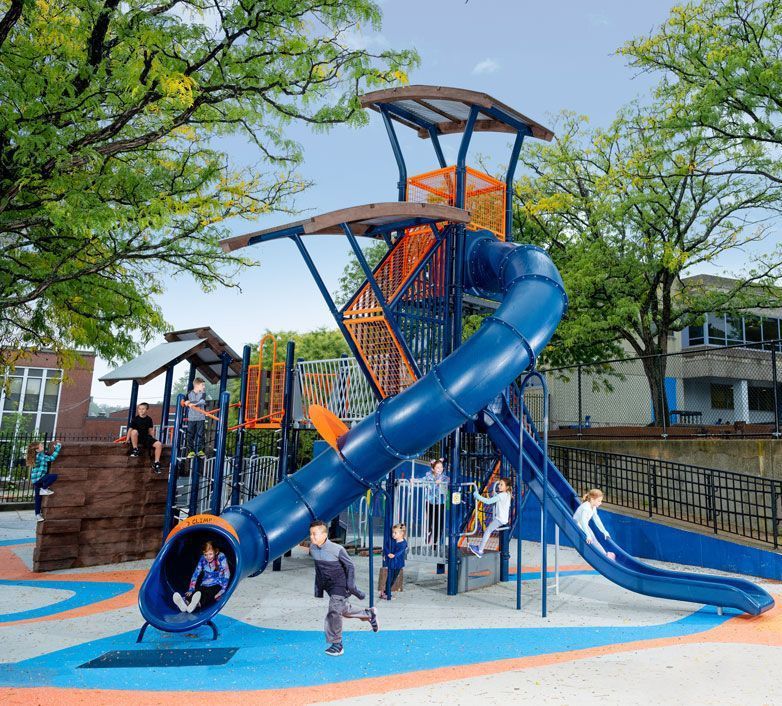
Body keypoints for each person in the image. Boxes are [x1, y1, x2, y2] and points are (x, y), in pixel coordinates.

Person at [308, 519, 378, 656]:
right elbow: (319, 569)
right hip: (329, 586)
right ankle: (369, 614)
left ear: (324, 534)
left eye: (315, 534)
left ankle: (337, 644)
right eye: (310, 534)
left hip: (340, 584)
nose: (312, 537)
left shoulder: (337, 549)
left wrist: (351, 587)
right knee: (342, 609)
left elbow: (350, 566)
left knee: (334, 611)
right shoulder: (313, 548)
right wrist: (319, 589)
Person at [173, 540, 230, 613]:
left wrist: (223, 590)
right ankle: (185, 603)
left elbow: (227, 573)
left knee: (209, 594)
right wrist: (191, 589)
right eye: (205, 554)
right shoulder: (203, 559)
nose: (208, 557)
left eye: (210, 554)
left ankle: (195, 604)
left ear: (216, 552)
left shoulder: (221, 556)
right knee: (198, 592)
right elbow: (196, 573)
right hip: (205, 583)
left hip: (218, 583)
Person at [469, 477, 513, 558]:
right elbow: (501, 500)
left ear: (506, 487)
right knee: (488, 531)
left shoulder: (502, 495)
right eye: (499, 484)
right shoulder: (508, 494)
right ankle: (479, 548)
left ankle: (480, 550)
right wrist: (496, 494)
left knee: (487, 531)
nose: (499, 486)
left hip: (499, 519)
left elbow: (488, 502)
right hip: (503, 519)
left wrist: (477, 496)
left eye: (501, 485)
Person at [573, 488, 616, 560]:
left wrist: (604, 531)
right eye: (599, 501)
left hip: (583, 525)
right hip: (576, 525)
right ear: (592, 499)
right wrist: (588, 535)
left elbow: (597, 520)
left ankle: (604, 554)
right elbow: (583, 521)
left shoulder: (593, 507)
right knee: (592, 539)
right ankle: (604, 555)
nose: (600, 503)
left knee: (594, 539)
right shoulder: (586, 507)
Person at [27, 440, 62, 523]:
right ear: (37, 450)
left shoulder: (38, 455)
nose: (43, 446)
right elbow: (52, 458)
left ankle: (38, 515)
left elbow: (46, 455)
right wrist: (58, 447)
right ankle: (44, 488)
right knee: (54, 476)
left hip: (35, 480)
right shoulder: (40, 456)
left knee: (38, 498)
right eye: (41, 446)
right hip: (39, 478)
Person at [128, 402, 163, 473]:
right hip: (137, 437)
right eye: (139, 409)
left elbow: (150, 430)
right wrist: (127, 439)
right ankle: (135, 450)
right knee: (134, 431)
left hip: (146, 437)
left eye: (143, 409)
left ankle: (156, 463)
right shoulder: (135, 419)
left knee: (159, 444)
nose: (141, 410)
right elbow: (130, 430)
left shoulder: (149, 419)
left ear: (147, 410)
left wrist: (153, 439)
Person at [424, 458, 449, 545]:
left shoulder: (445, 478)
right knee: (430, 520)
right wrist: (413, 480)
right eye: (437, 467)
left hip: (440, 503)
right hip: (430, 502)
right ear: (433, 469)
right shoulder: (428, 476)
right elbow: (422, 480)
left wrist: (441, 482)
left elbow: (448, 484)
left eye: (441, 467)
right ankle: (428, 532)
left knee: (439, 523)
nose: (440, 469)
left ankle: (435, 542)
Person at [380, 523, 407, 600]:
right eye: (393, 532)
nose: (393, 534)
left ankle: (385, 592)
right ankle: (386, 593)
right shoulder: (391, 541)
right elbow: (386, 547)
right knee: (390, 577)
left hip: (398, 563)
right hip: (391, 562)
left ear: (401, 533)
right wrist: (388, 553)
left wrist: (394, 555)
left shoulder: (403, 543)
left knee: (394, 578)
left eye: (395, 533)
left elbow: (401, 551)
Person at [186, 378, 208, 458]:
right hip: (191, 418)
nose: (204, 387)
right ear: (196, 385)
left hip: (200, 417)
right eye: (202, 385)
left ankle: (200, 450)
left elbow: (202, 401)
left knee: (200, 434)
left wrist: (193, 404)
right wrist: (186, 402)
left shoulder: (203, 393)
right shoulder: (189, 393)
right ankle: (191, 451)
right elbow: (185, 401)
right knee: (190, 434)